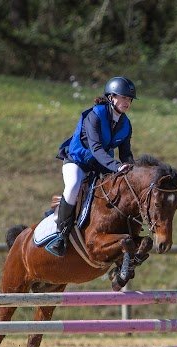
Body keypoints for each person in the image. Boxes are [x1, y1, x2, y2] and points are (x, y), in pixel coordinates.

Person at [49, 76, 137, 256]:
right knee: (73, 185)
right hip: (77, 161)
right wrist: (116, 166)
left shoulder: (125, 124)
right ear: (111, 97)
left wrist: (132, 169)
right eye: (123, 97)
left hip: (101, 166)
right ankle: (60, 235)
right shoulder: (95, 116)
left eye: (129, 99)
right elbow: (96, 148)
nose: (127, 102)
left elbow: (126, 153)